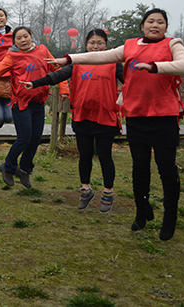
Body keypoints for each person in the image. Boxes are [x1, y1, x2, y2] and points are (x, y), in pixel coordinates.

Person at [47, 9, 184, 240]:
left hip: (164, 116)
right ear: (143, 26)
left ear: (166, 27)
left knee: (166, 169)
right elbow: (100, 57)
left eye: (160, 22)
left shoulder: (173, 44)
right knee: (139, 168)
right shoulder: (130, 46)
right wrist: (69, 59)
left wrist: (155, 67)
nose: (155, 25)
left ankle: (170, 218)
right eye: (150, 21)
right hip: (136, 116)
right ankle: (142, 211)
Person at [20, 29, 123, 212]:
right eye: (92, 43)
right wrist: (35, 83)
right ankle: (85, 190)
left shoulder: (114, 64)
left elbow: (132, 80)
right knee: (84, 155)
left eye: (100, 43)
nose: (96, 46)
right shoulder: (78, 62)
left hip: (105, 118)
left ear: (106, 45)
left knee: (105, 156)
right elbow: (57, 76)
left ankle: (108, 192)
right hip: (82, 117)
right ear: (86, 45)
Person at [0, 26, 69, 189]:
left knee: (35, 139)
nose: (23, 40)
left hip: (39, 102)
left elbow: (58, 69)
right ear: (14, 42)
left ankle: (24, 169)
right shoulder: (12, 56)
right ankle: (8, 166)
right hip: (21, 103)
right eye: (18, 38)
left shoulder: (43, 50)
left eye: (25, 36)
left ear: (31, 36)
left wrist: (64, 89)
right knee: (24, 138)